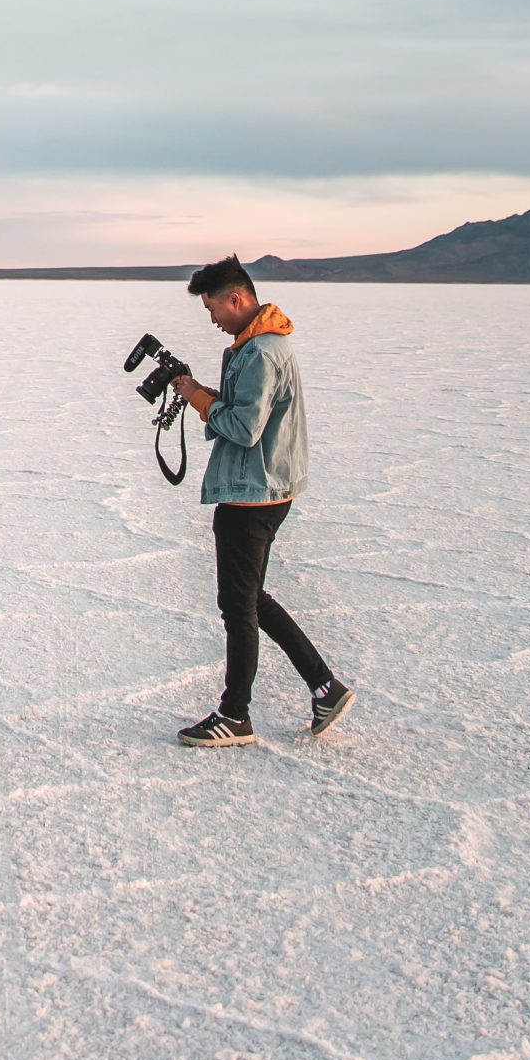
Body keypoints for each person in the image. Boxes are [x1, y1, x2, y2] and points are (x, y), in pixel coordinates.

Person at [165, 255, 354, 747]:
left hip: (253, 493)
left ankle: (236, 715)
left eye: (212, 309)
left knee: (237, 605)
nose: (212, 320)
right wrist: (199, 392)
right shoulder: (254, 348)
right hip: (260, 488)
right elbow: (246, 412)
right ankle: (325, 686)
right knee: (250, 598)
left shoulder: (263, 353)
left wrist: (202, 402)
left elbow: (245, 429)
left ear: (237, 298)